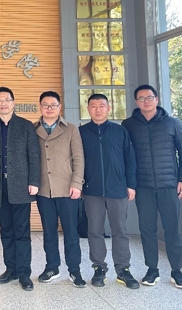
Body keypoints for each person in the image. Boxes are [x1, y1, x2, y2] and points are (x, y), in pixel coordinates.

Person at [122, 85, 182, 289]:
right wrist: (129, 183)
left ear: (157, 99)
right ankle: (152, 270)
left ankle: (176, 271)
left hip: (169, 185)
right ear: (136, 102)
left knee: (172, 229)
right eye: (141, 98)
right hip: (143, 186)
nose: (146, 101)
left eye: (149, 97)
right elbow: (124, 155)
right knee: (147, 229)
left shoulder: (172, 123)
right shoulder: (128, 125)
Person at [79, 94, 139, 289]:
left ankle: (123, 270)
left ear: (108, 108)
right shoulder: (81, 132)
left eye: (102, 105)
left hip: (118, 189)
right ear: (88, 108)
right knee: (94, 231)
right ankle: (99, 268)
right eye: (93, 106)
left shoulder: (119, 131)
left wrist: (131, 185)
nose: (98, 109)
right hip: (92, 190)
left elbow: (130, 159)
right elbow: (76, 161)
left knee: (120, 230)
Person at [0, 87, 41, 292]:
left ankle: (24, 273)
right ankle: (10, 269)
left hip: (21, 186)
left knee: (22, 232)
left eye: (7, 100)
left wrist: (34, 181)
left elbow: (34, 156)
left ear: (13, 102)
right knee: (6, 231)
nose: (3, 103)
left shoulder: (26, 126)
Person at [34, 91, 85, 287]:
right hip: (43, 189)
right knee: (49, 232)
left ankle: (75, 270)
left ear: (59, 107)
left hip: (67, 189)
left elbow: (78, 158)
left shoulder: (71, 129)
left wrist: (77, 184)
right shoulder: (33, 129)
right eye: (45, 105)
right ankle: (52, 267)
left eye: (53, 105)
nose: (49, 108)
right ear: (40, 106)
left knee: (71, 232)